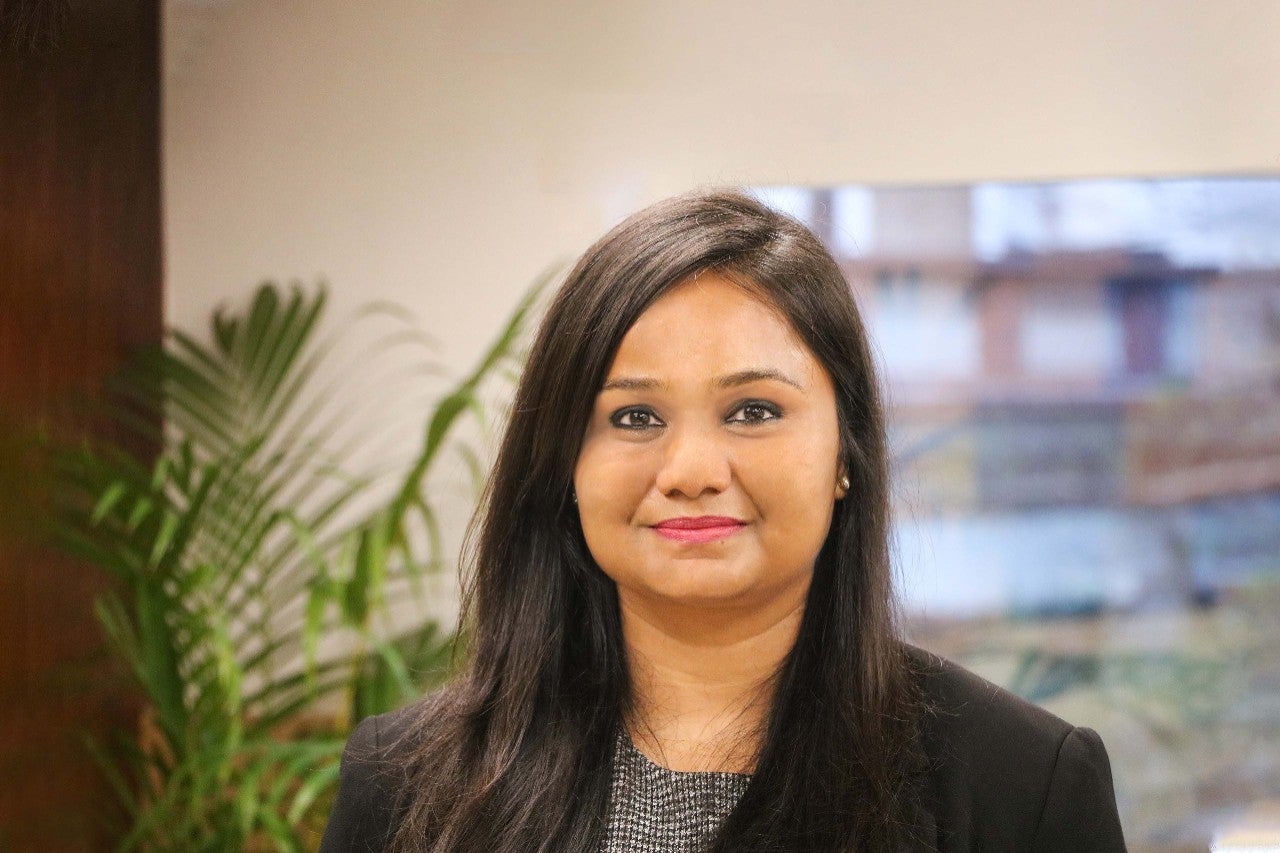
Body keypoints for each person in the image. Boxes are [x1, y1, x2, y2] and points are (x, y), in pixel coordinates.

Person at [320, 190, 1127, 852]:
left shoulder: (1027, 787)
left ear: (845, 453)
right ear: (565, 462)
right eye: (634, 417)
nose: (691, 471)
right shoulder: (401, 784)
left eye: (753, 410)